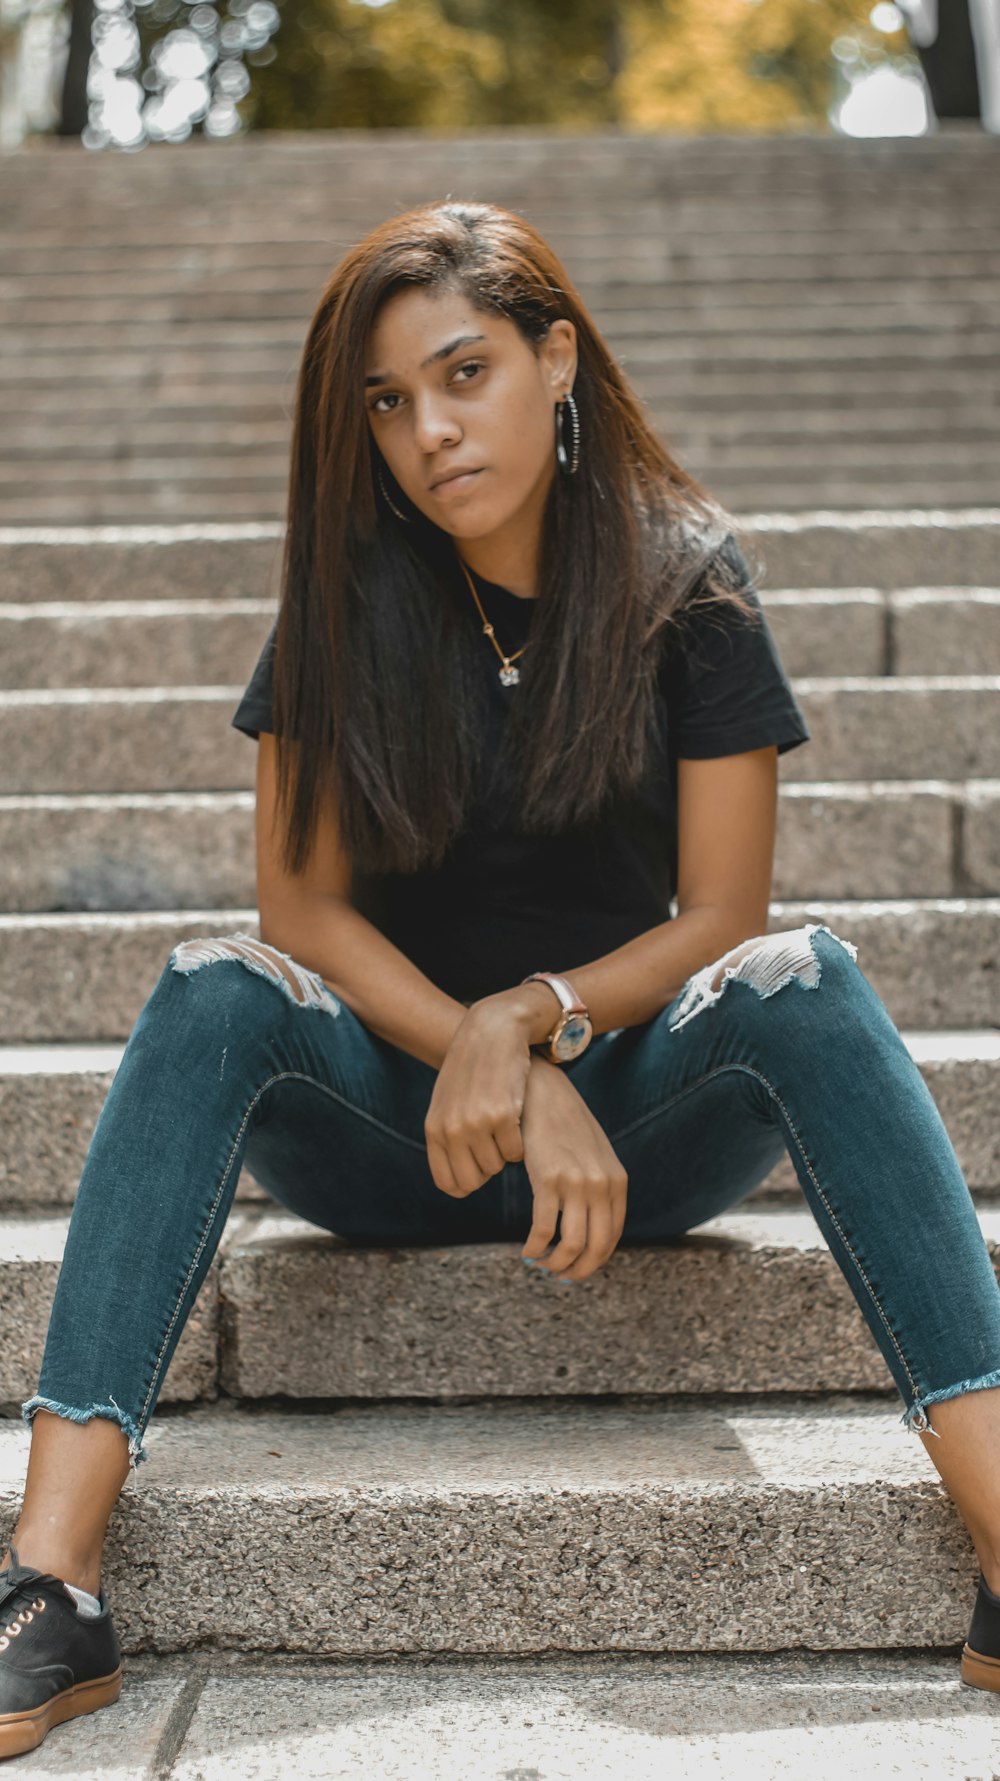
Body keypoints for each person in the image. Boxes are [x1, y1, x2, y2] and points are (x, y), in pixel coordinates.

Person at [2, 198, 1000, 1759]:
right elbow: (301, 911)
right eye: (390, 403)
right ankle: (51, 1581)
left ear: (556, 359)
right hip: (386, 1131)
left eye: (464, 374)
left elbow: (727, 910)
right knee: (211, 984)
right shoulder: (346, 597)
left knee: (810, 977)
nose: (430, 433)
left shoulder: (690, 581)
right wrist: (489, 1071)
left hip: (638, 1132)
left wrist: (532, 1023)